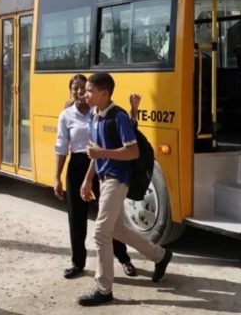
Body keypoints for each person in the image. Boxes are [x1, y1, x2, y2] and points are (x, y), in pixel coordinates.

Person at [77, 72, 173, 307]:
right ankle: (160, 255)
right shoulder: (95, 116)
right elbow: (94, 152)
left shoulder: (117, 117)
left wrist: (102, 154)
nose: (84, 94)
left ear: (104, 93)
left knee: (101, 233)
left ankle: (104, 289)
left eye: (89, 90)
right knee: (118, 229)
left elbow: (133, 152)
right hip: (102, 179)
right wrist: (88, 179)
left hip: (117, 180)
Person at [54, 74, 142, 279]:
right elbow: (60, 148)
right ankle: (78, 262)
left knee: (109, 219)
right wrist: (57, 176)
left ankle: (124, 258)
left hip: (100, 166)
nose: (80, 92)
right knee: (76, 218)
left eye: (84, 88)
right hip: (77, 166)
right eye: (75, 88)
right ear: (71, 91)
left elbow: (124, 131)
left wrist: (134, 110)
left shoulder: (99, 111)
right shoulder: (66, 116)